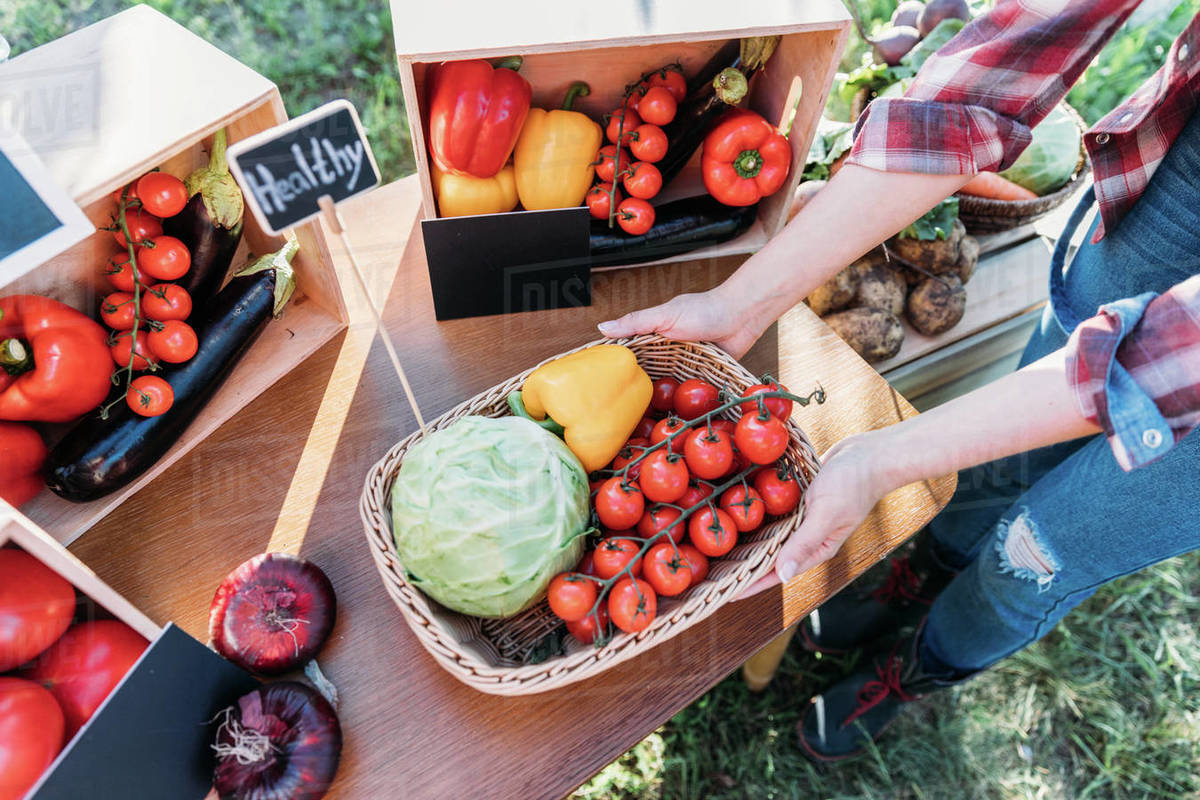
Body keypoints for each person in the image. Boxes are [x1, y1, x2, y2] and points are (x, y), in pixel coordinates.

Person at [598, 0, 1200, 761]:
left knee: (1045, 545)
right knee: (1010, 450)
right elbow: (998, 66)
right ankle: (919, 575)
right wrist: (737, 305)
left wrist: (874, 457)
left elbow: (1161, 362)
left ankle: (917, 668)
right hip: (1191, 168)